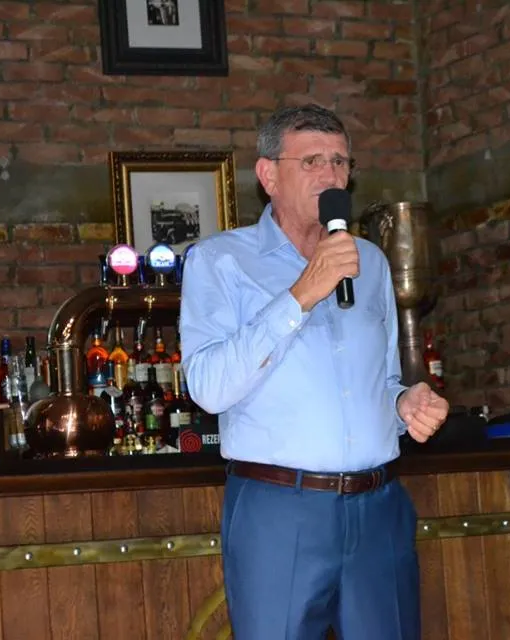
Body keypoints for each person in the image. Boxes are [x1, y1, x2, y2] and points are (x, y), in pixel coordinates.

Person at [179, 103, 449, 640]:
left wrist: (404, 404)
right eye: (311, 162)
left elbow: (382, 382)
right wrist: (303, 292)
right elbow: (208, 387)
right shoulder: (219, 261)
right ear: (268, 175)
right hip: (280, 508)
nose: (330, 175)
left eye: (340, 162)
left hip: (378, 507)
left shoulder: (371, 262)